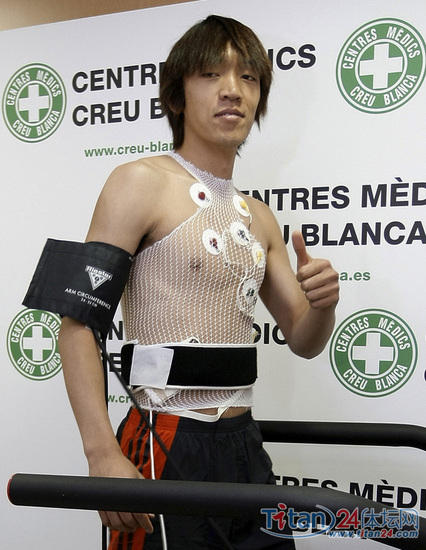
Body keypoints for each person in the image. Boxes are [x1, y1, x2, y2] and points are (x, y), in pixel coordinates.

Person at [58, 14, 339, 550]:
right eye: (212, 74)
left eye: (248, 77)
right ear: (177, 95)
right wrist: (101, 453)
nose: (233, 90)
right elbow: (77, 324)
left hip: (244, 445)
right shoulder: (137, 182)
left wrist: (323, 306)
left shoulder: (261, 218)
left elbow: (304, 339)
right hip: (165, 439)